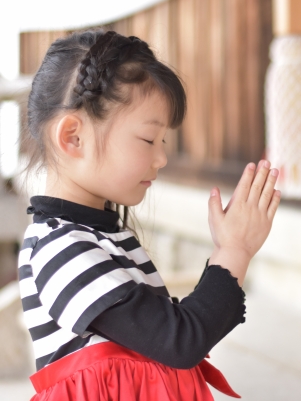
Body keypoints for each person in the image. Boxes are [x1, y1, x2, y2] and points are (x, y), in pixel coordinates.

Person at [18, 30, 281, 401]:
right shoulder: (61, 249)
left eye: (163, 142)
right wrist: (235, 248)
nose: (161, 158)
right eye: (148, 140)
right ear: (73, 137)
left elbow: (174, 333)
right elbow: (181, 341)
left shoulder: (99, 235)